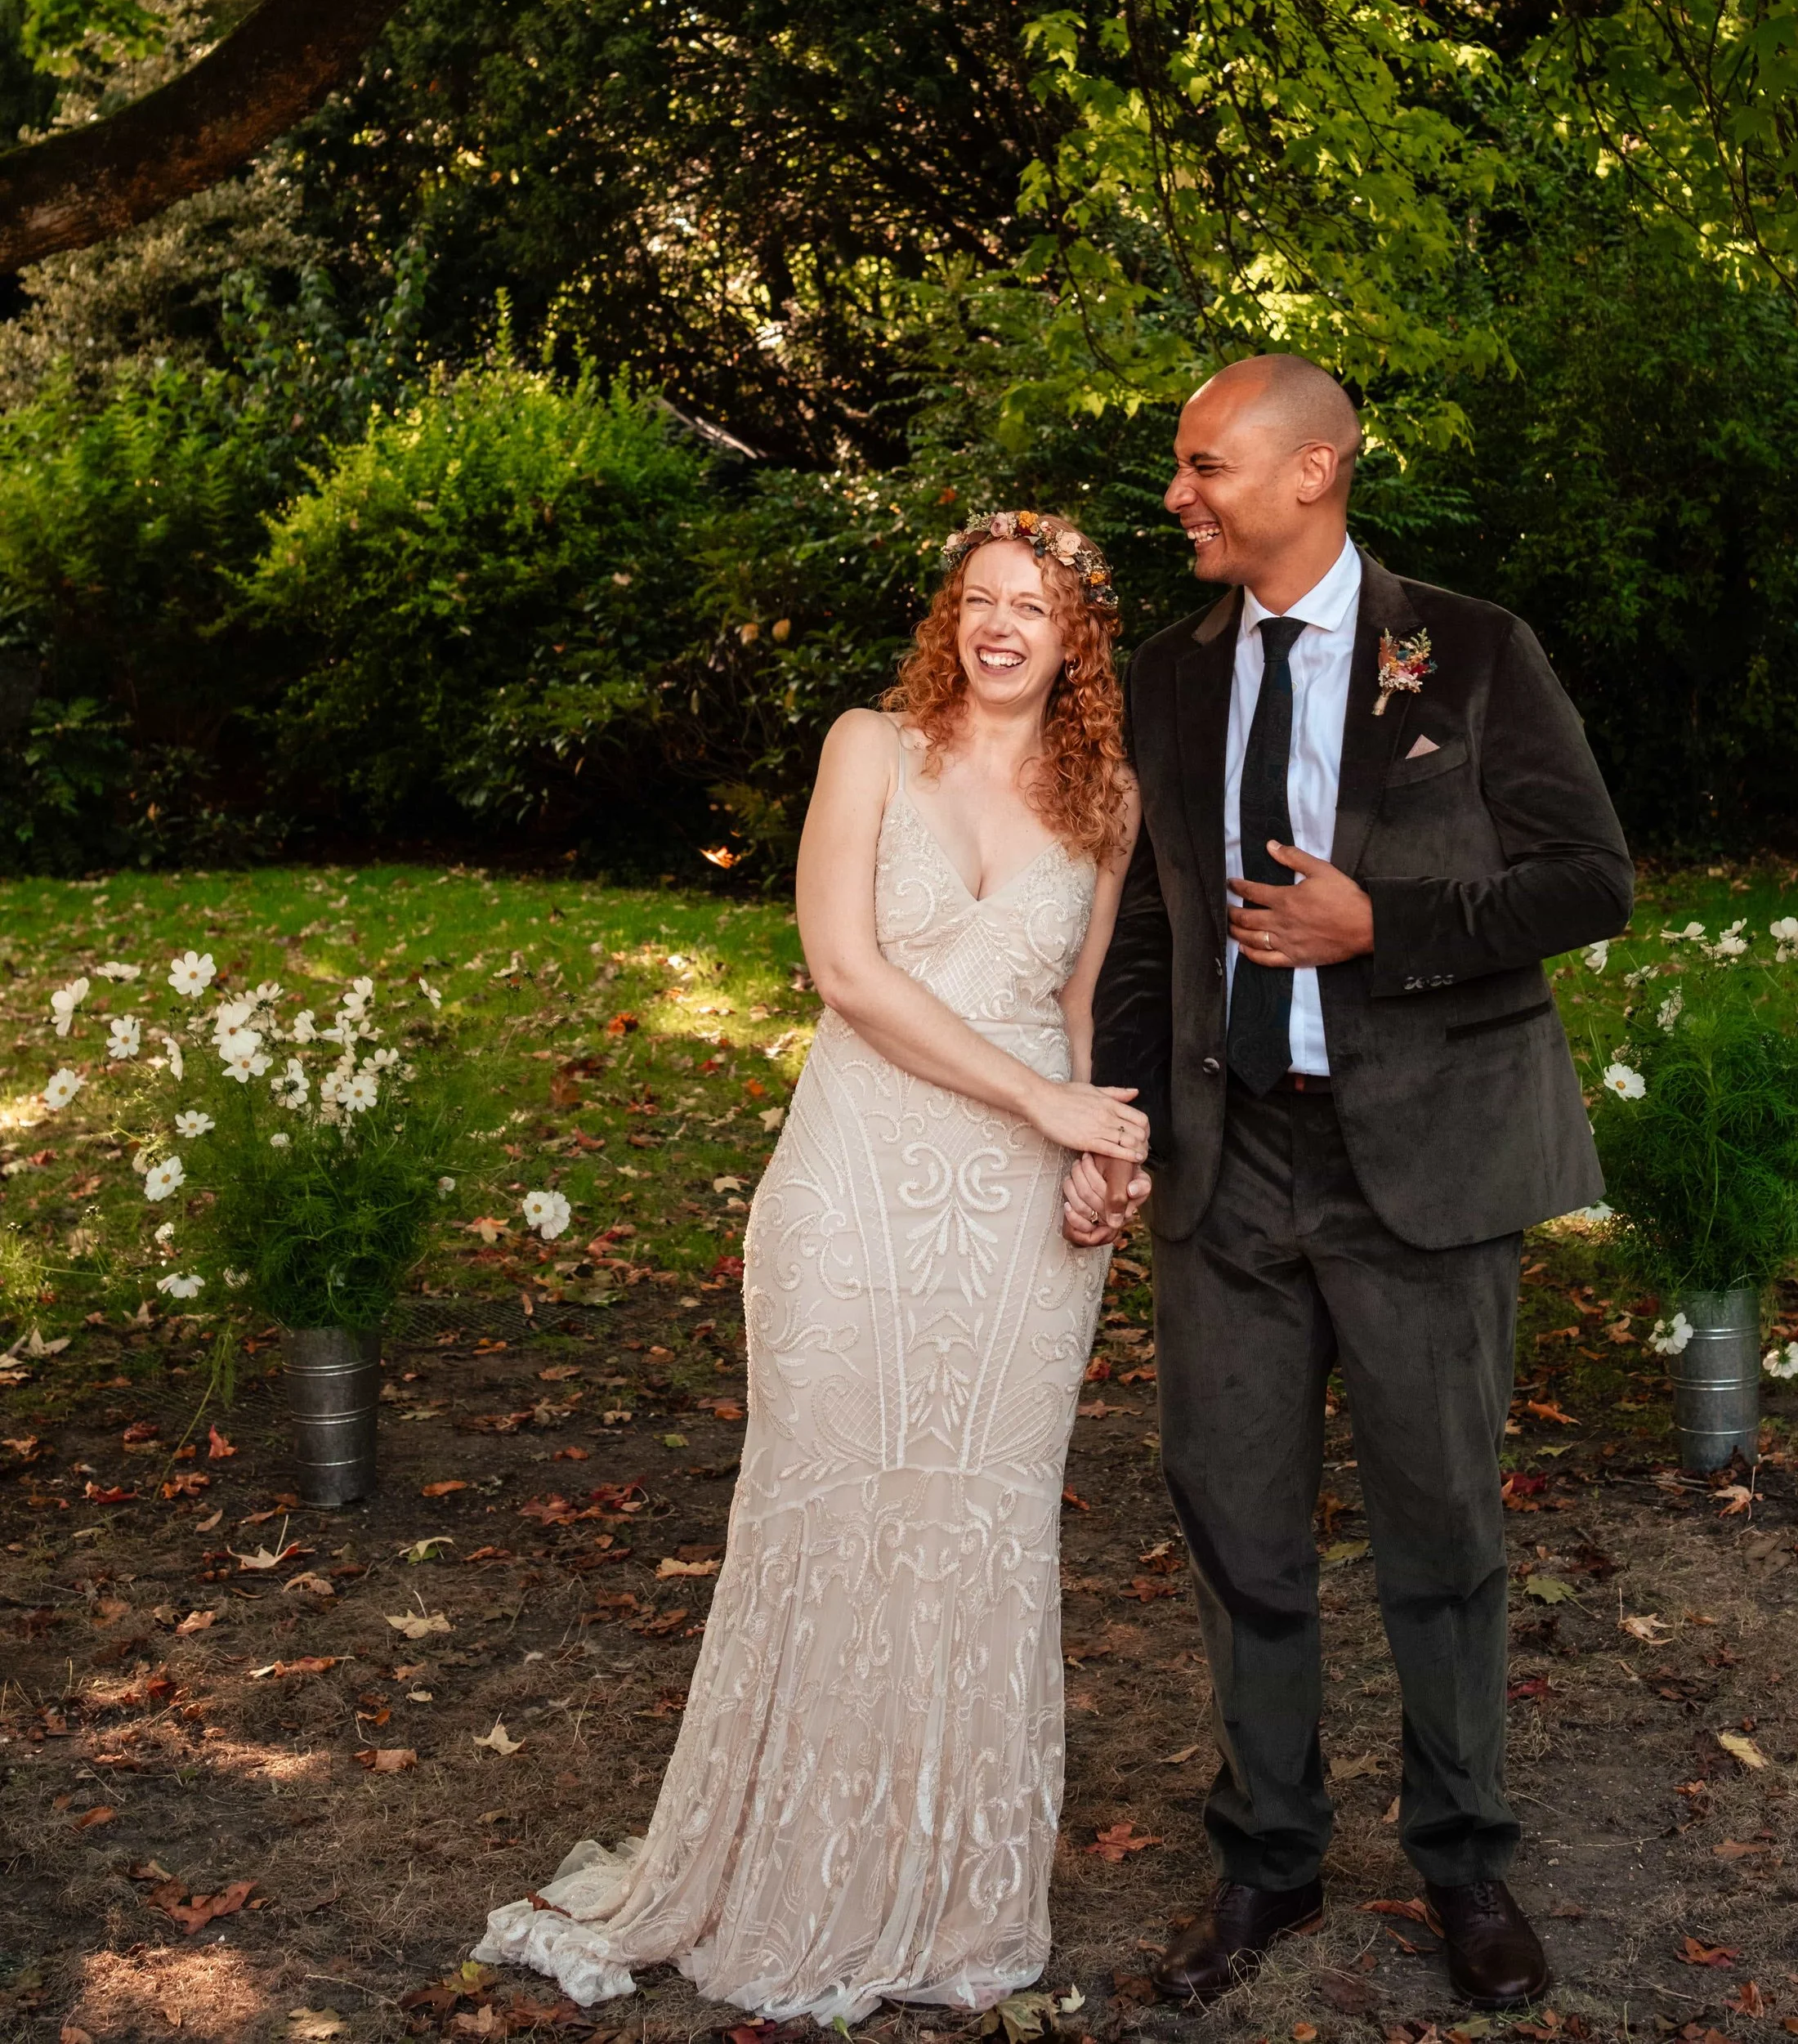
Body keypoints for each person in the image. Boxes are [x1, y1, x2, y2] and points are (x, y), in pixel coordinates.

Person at [476, 508, 1147, 2021]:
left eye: (1032, 607)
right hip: (854, 1181)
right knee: (835, 1507)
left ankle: (951, 1893)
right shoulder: (869, 744)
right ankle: (795, 1873)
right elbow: (844, 969)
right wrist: (1047, 1098)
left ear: (1077, 634)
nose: (999, 626)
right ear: (948, 617)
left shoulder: (1108, 793)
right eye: (978, 599)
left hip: (1015, 1224)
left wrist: (1102, 1156)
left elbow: (1083, 1002)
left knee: (980, 1525)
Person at [1068, 354, 1633, 2013]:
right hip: (1229, 1162)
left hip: (1421, 1167)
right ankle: (1267, 1866)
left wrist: (1379, 927)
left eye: (1201, 464)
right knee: (1237, 1528)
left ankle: (1462, 1864)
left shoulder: (1467, 650)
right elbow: (1164, 927)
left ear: (1309, 471)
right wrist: (1121, 1116)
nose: (1176, 493)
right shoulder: (1174, 680)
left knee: (1440, 1533)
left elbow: (1586, 877)